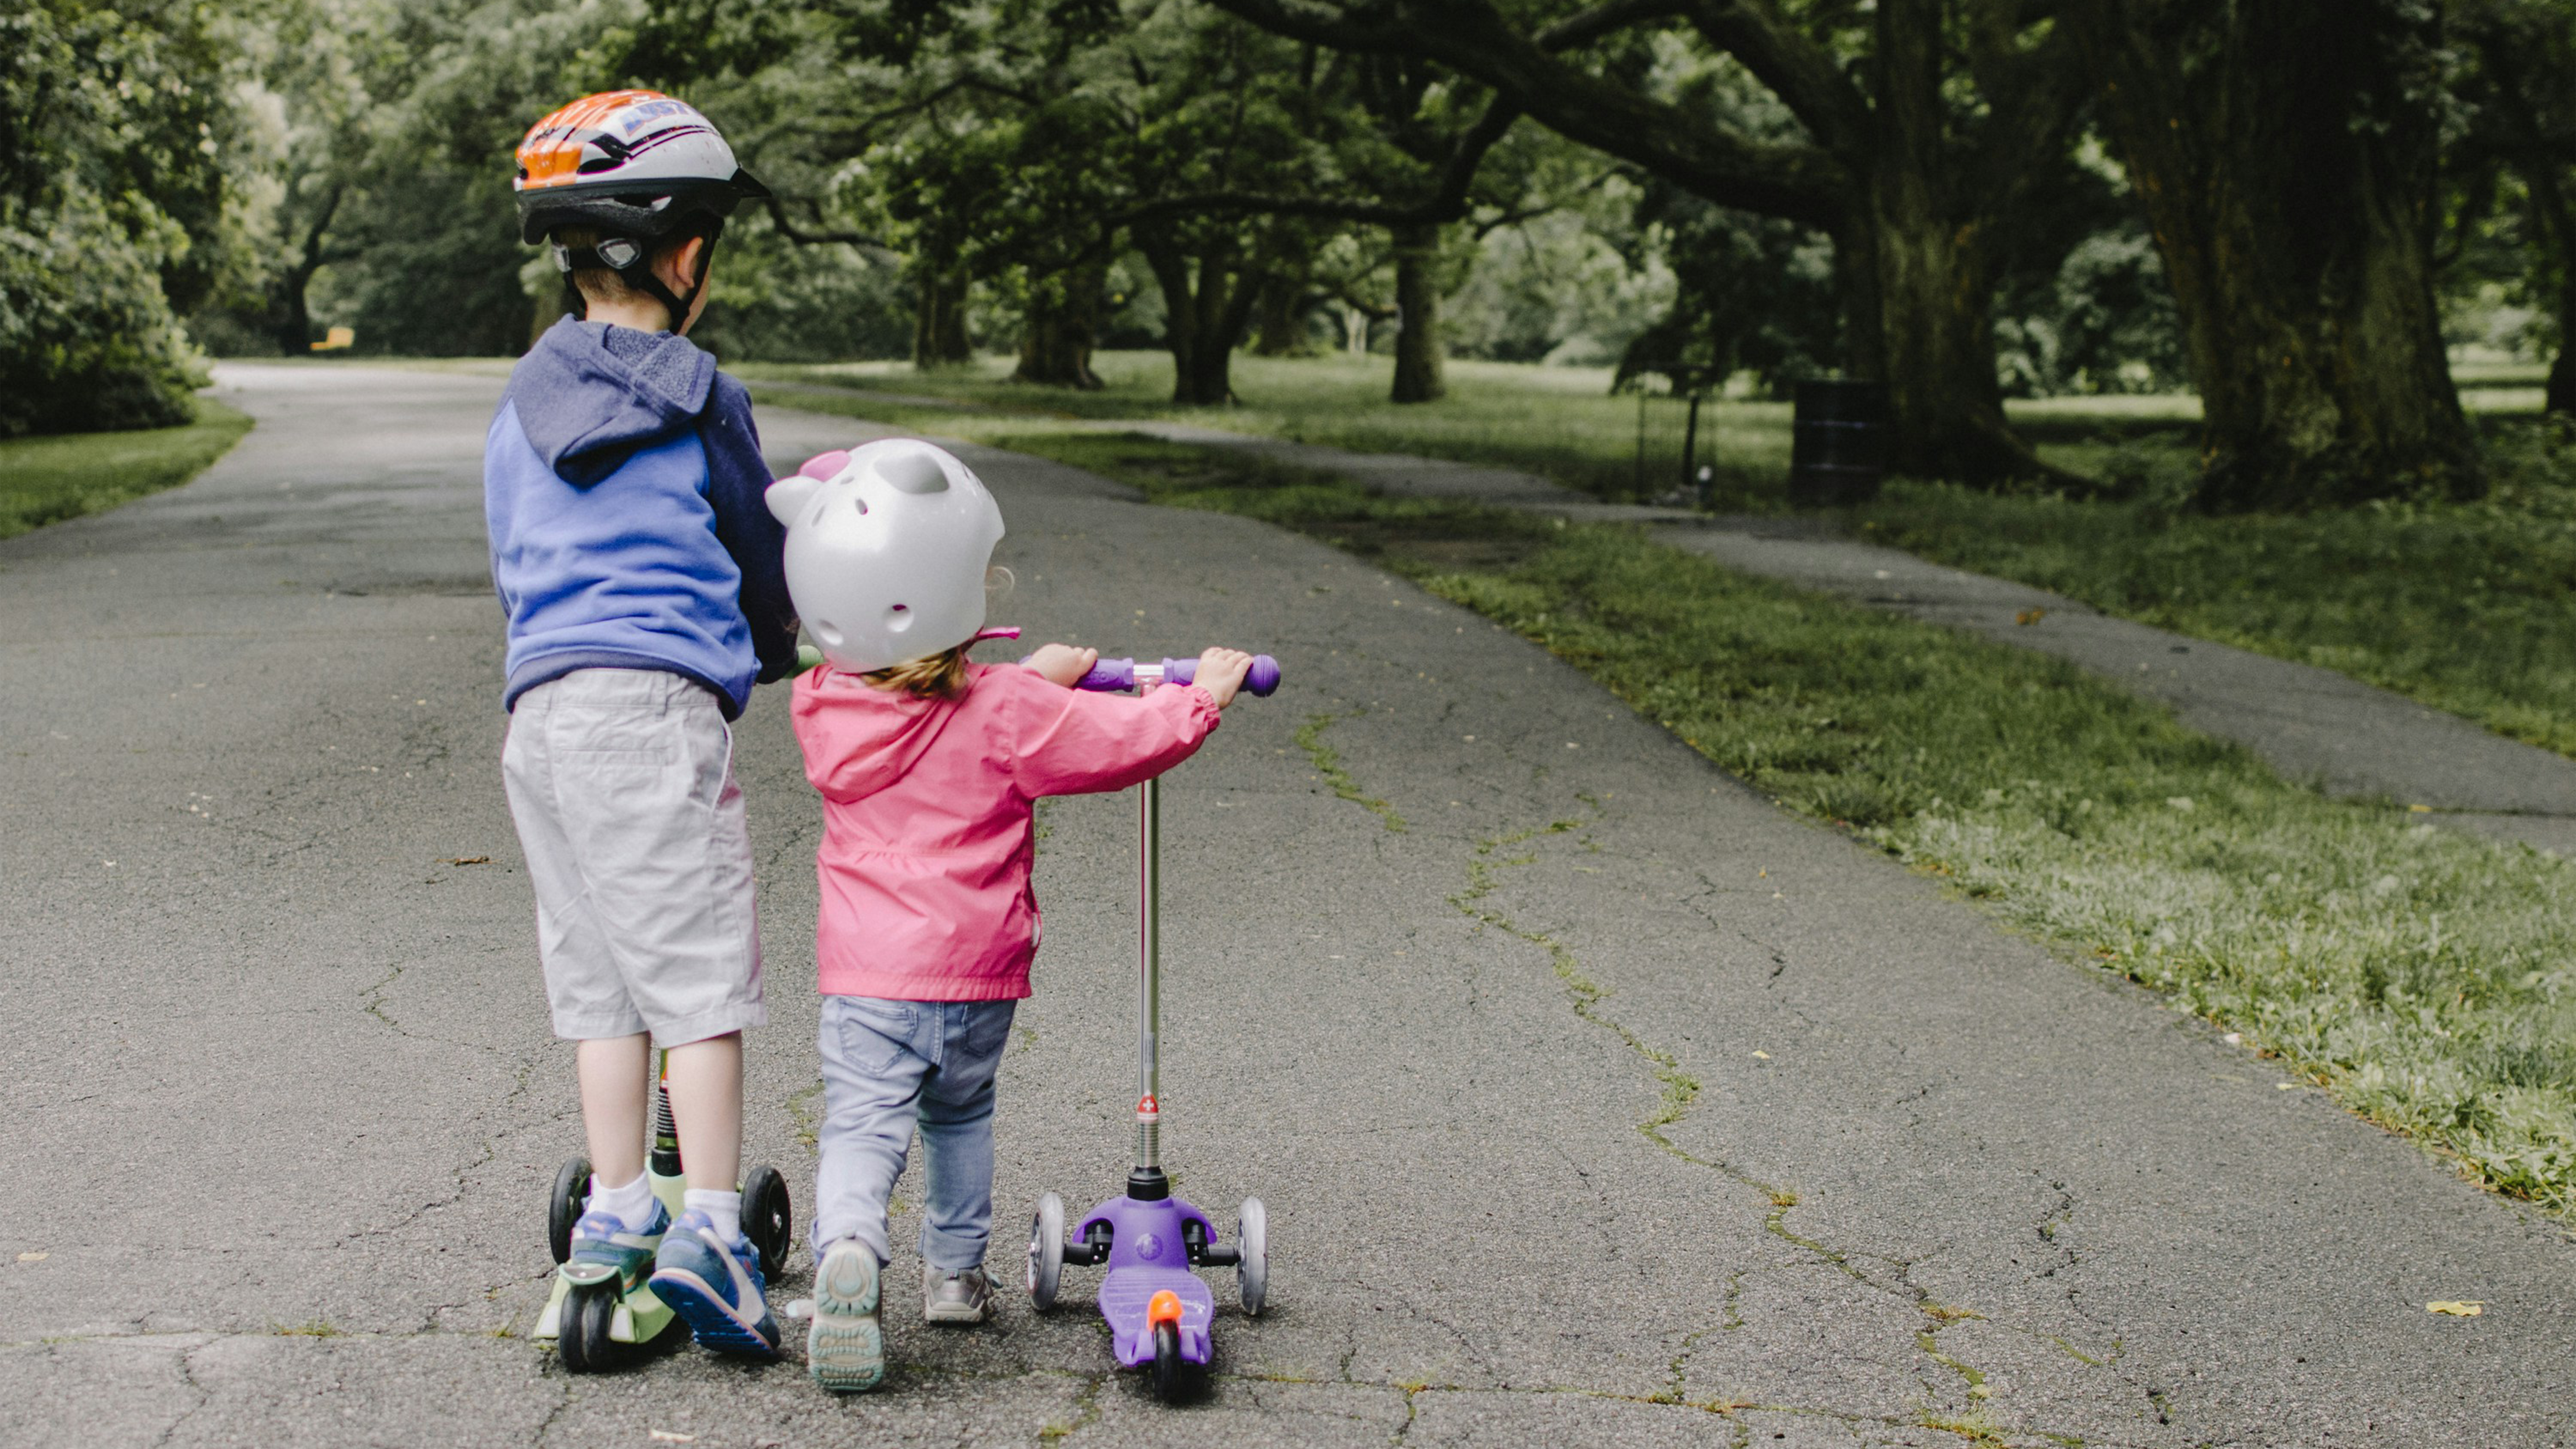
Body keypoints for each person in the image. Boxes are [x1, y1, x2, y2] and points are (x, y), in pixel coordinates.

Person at [764, 439, 1253, 1391]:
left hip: (867, 973)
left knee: (864, 1124)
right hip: (976, 972)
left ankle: (849, 1252)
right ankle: (952, 1278)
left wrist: (1033, 675)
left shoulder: (825, 704)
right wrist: (1200, 698)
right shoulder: (1007, 710)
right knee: (961, 1115)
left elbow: (925, 698)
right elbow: (1117, 742)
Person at [487, 90, 795, 1359]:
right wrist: (782, 649)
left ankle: (615, 1213)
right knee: (699, 983)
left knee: (601, 984)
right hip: (650, 714)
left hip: (542, 718)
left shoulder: (518, 405)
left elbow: (514, 556)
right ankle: (714, 1229)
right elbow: (759, 542)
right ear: (684, 257)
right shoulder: (700, 394)